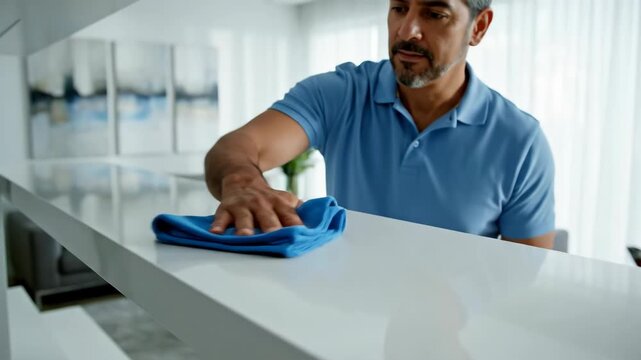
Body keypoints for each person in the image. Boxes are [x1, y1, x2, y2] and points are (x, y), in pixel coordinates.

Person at [204, 0, 556, 249]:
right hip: (345, 321)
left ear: (477, 27)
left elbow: (524, 282)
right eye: (399, 8)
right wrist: (240, 181)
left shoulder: (521, 141)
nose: (407, 31)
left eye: (434, 13)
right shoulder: (339, 93)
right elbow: (238, 147)